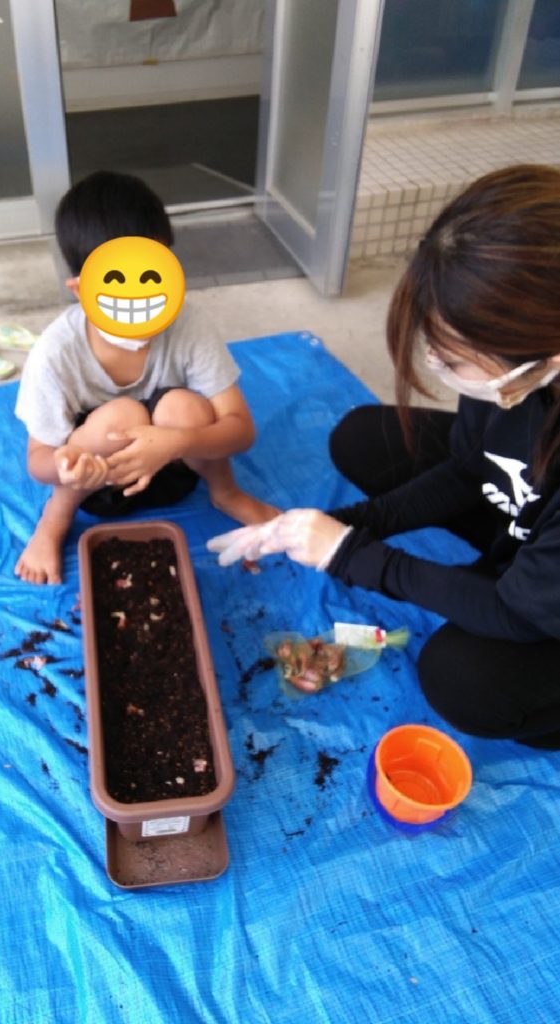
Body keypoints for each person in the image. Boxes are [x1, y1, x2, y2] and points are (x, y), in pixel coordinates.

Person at [208, 164, 560, 750]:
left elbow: (515, 614)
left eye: (455, 357)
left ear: (546, 355)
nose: (439, 369)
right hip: (535, 518)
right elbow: (471, 467)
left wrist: (353, 555)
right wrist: (348, 524)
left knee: (464, 680)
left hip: (539, 602)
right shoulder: (517, 379)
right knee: (363, 439)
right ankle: (511, 552)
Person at [14, 170, 277, 585]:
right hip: (99, 485)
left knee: (184, 407)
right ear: (81, 290)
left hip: (175, 469)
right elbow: (38, 460)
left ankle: (226, 493)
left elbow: (241, 430)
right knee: (122, 416)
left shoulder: (188, 323)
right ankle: (55, 519)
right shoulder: (56, 351)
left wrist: (178, 441)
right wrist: (66, 467)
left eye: (153, 276)